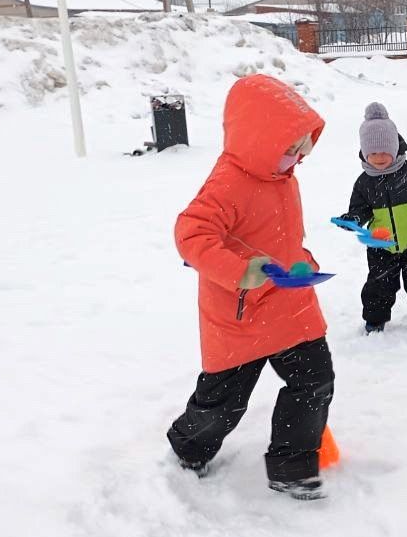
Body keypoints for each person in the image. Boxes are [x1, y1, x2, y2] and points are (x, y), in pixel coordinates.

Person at [168, 74, 335, 501]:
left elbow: (283, 239)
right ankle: (188, 448)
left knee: (314, 382)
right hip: (240, 315)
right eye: (289, 148)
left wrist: (303, 265)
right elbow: (191, 234)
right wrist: (242, 271)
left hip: (290, 305)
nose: (298, 157)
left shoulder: (284, 178)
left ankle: (292, 468)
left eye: (303, 147)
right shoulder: (229, 182)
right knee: (223, 404)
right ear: (258, 141)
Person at [337, 103, 407, 339]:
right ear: (365, 153)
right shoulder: (364, 182)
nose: (379, 158)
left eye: (384, 151)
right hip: (380, 247)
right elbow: (361, 209)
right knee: (378, 286)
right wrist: (353, 218)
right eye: (372, 153)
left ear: (395, 147)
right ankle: (374, 322)